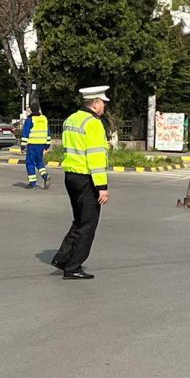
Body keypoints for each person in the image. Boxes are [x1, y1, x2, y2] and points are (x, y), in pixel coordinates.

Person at [51, 86, 111, 280]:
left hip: (71, 176)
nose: (104, 106)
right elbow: (95, 157)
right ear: (95, 104)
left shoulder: (71, 119)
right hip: (87, 179)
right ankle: (73, 267)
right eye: (103, 103)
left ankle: (62, 258)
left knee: (79, 220)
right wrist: (102, 187)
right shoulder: (93, 124)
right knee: (88, 224)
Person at [21, 99, 50, 189]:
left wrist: (23, 145)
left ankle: (32, 183)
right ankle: (45, 176)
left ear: (30, 109)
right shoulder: (44, 119)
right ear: (38, 109)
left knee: (30, 163)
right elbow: (48, 132)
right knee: (39, 162)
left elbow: (25, 133)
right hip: (41, 144)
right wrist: (47, 144)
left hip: (33, 144)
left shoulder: (30, 120)